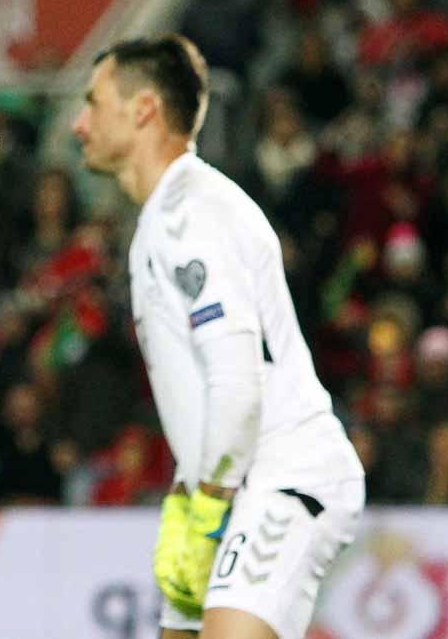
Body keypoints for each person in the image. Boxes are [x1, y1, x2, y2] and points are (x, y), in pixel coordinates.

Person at [70, 35, 364, 639]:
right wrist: (189, 499)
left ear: (144, 109)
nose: (78, 122)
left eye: (93, 102)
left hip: (280, 477)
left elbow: (237, 381)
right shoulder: (164, 217)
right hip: (226, 486)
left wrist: (202, 509)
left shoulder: (190, 216)